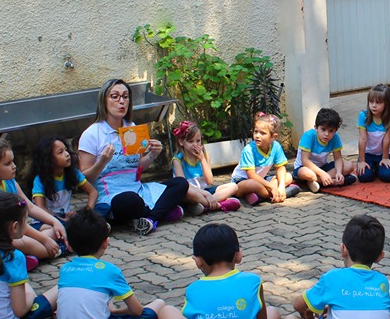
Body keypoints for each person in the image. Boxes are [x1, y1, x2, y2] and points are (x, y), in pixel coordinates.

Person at [159, 223, 281, 319]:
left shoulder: (194, 289)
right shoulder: (253, 282)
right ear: (238, 255)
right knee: (273, 313)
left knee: (166, 311)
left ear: (197, 261)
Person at [77, 79, 191, 236]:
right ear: (104, 101)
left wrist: (152, 154)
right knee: (129, 201)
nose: (121, 101)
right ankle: (162, 211)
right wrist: (102, 161)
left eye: (125, 96)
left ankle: (150, 219)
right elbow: (83, 179)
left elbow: (137, 167)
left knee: (180, 183)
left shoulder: (131, 128)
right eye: (115, 96)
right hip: (111, 196)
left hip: (138, 190)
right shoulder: (92, 134)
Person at [55, 209, 165, 319]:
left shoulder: (65, 269)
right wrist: (115, 311)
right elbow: (137, 310)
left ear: (68, 245)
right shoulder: (109, 270)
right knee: (158, 305)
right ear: (106, 243)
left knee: (111, 316)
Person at [0, 138, 65, 264]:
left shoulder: (8, 179)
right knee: (29, 243)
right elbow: (11, 221)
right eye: (8, 163)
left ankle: (24, 257)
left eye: (13, 161)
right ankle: (60, 250)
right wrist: (44, 240)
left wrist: (55, 221)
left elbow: (30, 207)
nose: (14, 166)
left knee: (50, 228)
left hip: (14, 229)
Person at [171, 121, 241, 213]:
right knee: (190, 194)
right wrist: (206, 194)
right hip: (190, 193)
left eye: (198, 141)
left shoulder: (203, 154)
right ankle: (220, 205)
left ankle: (206, 205)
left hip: (204, 191)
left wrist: (202, 160)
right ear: (181, 142)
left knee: (233, 186)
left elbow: (209, 181)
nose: (195, 144)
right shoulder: (177, 160)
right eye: (190, 141)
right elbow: (184, 185)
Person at [232, 112, 300, 205]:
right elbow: (251, 176)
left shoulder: (276, 147)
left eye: (262, 133)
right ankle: (277, 194)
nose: (257, 136)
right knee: (253, 184)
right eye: (256, 131)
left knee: (287, 176)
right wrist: (271, 187)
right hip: (242, 182)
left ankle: (262, 195)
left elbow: (280, 168)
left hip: (261, 179)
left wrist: (280, 186)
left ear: (273, 137)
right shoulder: (249, 150)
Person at [29, 136, 98, 222]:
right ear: (48, 159)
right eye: (60, 152)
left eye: (66, 150)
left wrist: (86, 213)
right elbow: (41, 208)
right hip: (46, 220)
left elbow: (93, 192)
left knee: (103, 208)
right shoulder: (40, 180)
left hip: (67, 218)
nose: (67, 154)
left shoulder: (73, 173)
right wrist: (60, 219)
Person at [292, 108, 357, 193]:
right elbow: (305, 161)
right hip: (304, 168)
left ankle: (317, 182)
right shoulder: (308, 136)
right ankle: (332, 182)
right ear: (316, 128)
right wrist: (323, 174)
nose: (326, 134)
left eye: (331, 131)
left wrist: (339, 173)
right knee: (306, 173)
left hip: (323, 167)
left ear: (335, 131)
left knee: (349, 165)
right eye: (323, 129)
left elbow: (338, 158)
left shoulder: (335, 138)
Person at [356, 84, 390, 183]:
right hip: (367, 153)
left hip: (382, 154)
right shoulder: (363, 116)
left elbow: (386, 139)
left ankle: (380, 167)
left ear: (387, 104)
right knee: (364, 177)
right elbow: (362, 139)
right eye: (371, 102)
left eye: (378, 102)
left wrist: (385, 158)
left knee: (387, 177)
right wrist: (362, 161)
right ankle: (373, 167)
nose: (373, 105)